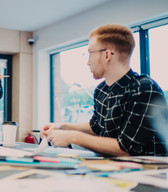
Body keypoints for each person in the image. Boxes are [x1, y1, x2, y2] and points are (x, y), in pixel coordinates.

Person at [40, 24, 167, 156]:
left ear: (107, 55)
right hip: (112, 169)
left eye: (90, 53)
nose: (88, 62)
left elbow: (127, 149)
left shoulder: (144, 89)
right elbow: (95, 127)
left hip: (145, 173)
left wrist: (73, 137)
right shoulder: (101, 90)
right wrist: (62, 126)